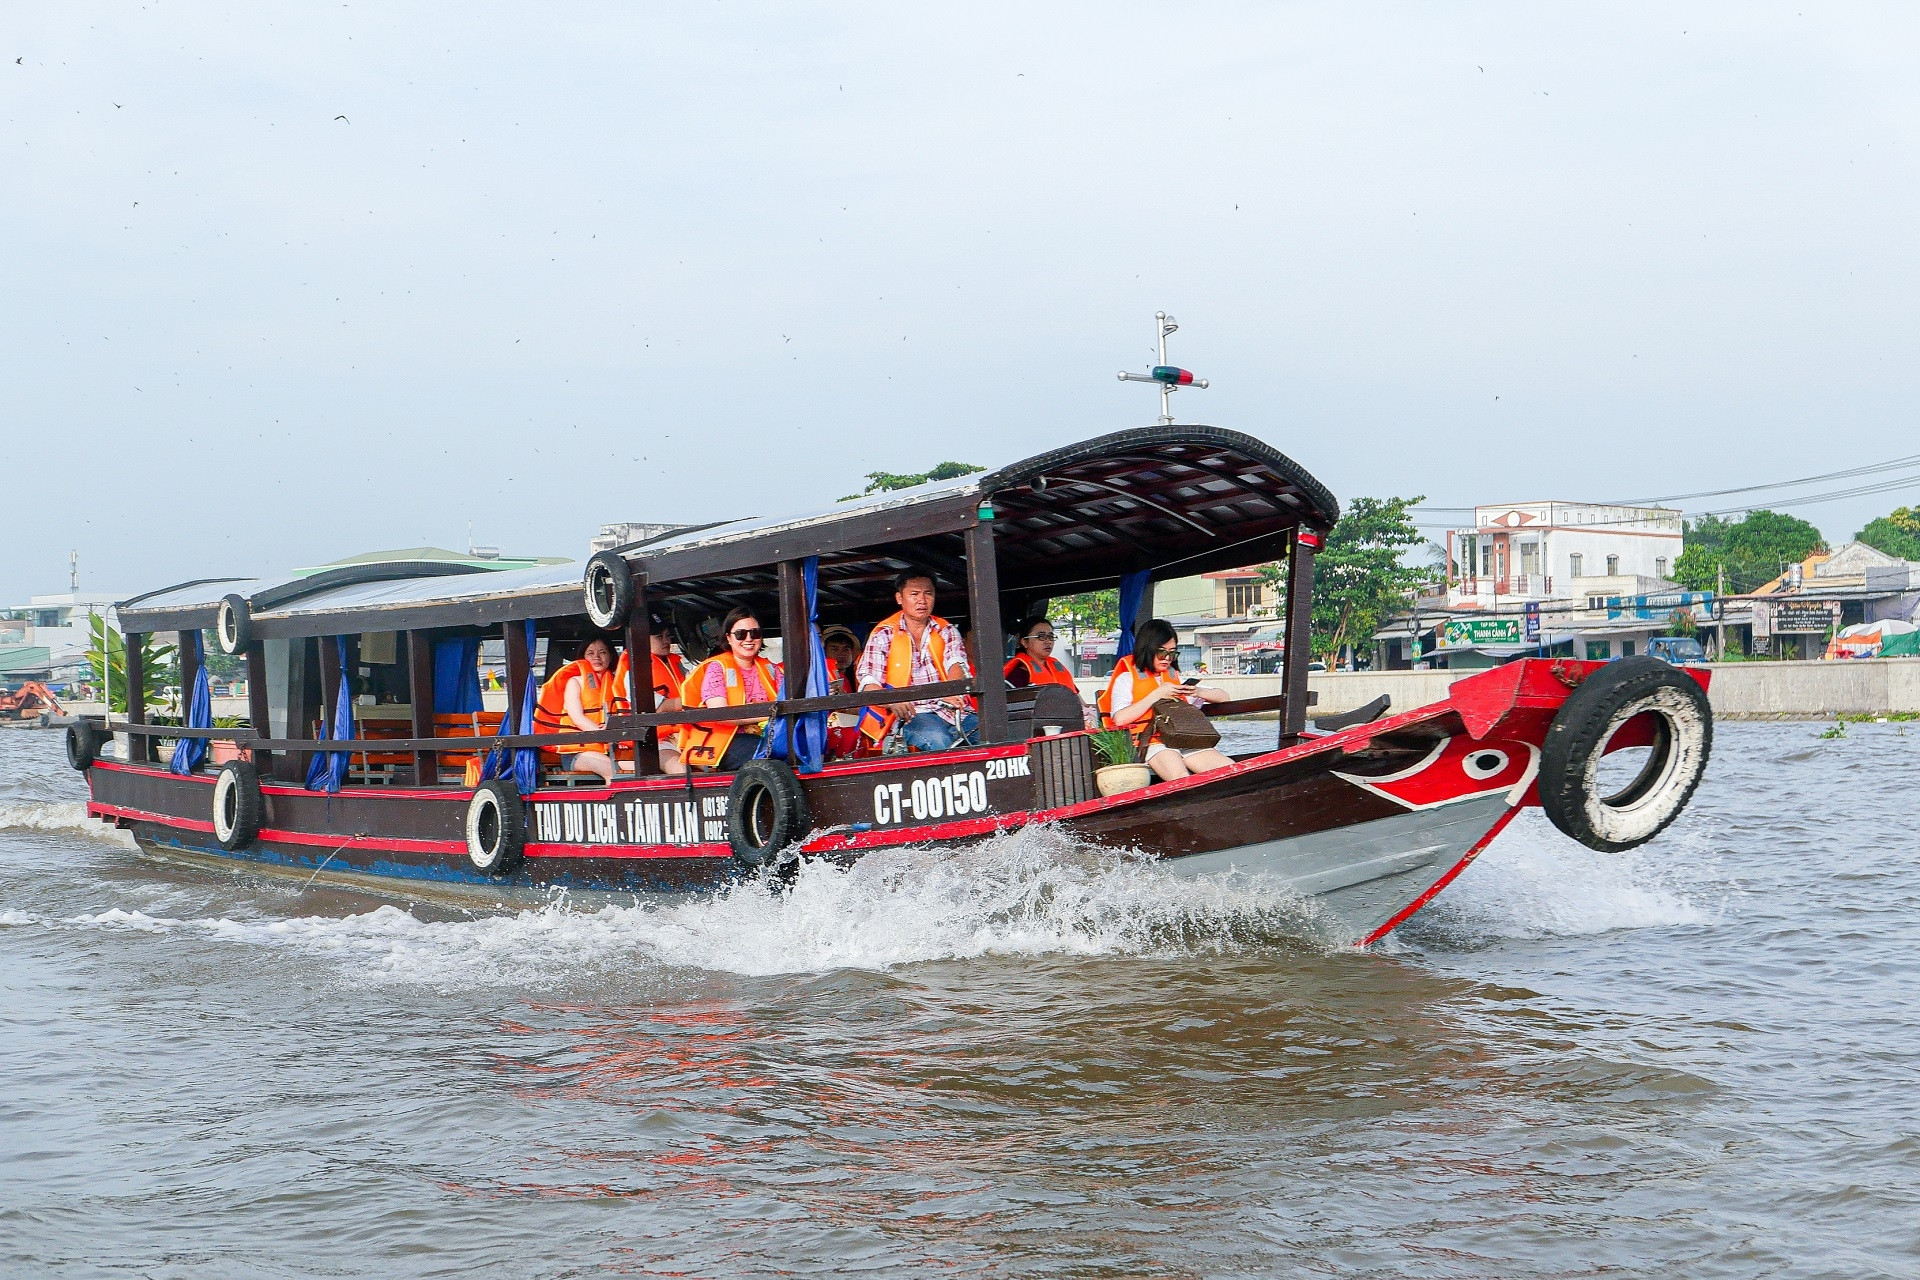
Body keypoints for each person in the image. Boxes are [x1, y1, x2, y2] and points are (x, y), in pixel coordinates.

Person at [1098, 619, 1234, 783]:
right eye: (1162, 653)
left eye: (1173, 653)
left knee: (1232, 771)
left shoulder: (1175, 678)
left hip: (1185, 739)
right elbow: (1120, 718)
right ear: (1147, 649)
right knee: (1181, 778)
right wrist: (1156, 694)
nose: (1168, 658)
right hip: (1152, 743)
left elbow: (1224, 697)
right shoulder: (1126, 679)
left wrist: (1198, 691)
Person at [855, 568, 975, 752]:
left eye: (928, 593)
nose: (922, 600)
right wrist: (892, 700)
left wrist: (952, 690)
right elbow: (868, 683)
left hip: (953, 710)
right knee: (940, 743)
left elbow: (957, 663)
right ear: (899, 598)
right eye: (914, 594)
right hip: (912, 715)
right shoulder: (883, 635)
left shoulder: (947, 630)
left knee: (990, 734)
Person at [678, 607, 781, 772]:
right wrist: (767, 713)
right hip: (725, 740)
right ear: (728, 638)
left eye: (754, 633)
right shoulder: (717, 668)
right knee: (769, 751)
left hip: (770, 734)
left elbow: (788, 700)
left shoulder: (771, 669)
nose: (749, 639)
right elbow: (720, 713)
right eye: (741, 634)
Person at [531, 636, 630, 784]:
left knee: (639, 768)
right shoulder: (575, 682)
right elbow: (577, 717)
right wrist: (606, 734)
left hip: (612, 749)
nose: (596, 657)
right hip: (577, 752)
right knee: (613, 770)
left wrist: (617, 731)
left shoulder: (618, 683)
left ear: (610, 656)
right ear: (583, 657)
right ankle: (617, 805)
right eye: (590, 653)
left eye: (602, 652)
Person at [612, 609, 687, 774]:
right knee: (681, 770)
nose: (666, 640)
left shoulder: (676, 663)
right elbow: (657, 706)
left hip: (685, 733)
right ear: (641, 640)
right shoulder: (633, 669)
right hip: (654, 740)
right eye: (659, 636)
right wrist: (690, 702)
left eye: (667, 635)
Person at [1003, 617, 1079, 691]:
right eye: (1041, 636)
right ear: (1024, 642)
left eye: (1051, 636)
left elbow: (1079, 700)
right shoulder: (1017, 676)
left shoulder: (1058, 668)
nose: (1048, 641)